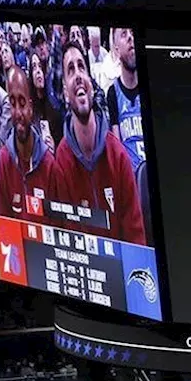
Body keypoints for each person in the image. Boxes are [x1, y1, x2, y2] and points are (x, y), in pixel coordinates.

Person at [52, 43, 146, 245]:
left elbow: (135, 237)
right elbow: (67, 239)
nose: (78, 75)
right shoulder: (60, 162)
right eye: (70, 69)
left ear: (91, 84)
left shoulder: (118, 155)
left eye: (81, 67)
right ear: (66, 94)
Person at [0, 66, 57, 223]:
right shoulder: (4, 160)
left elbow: (57, 226)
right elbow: (4, 222)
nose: (17, 113)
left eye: (22, 104)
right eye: (12, 103)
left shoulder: (48, 163)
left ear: (30, 108)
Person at [105, 27, 145, 167]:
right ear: (116, 50)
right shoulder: (113, 93)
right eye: (124, 34)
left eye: (132, 33)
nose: (130, 37)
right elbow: (117, 149)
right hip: (132, 179)